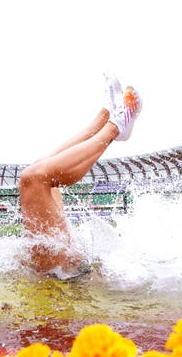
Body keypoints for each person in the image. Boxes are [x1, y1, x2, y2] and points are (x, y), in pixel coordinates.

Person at [17, 74, 142, 278]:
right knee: (33, 178)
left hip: (51, 272)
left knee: (39, 168)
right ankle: (115, 127)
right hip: (53, 278)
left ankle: (104, 119)